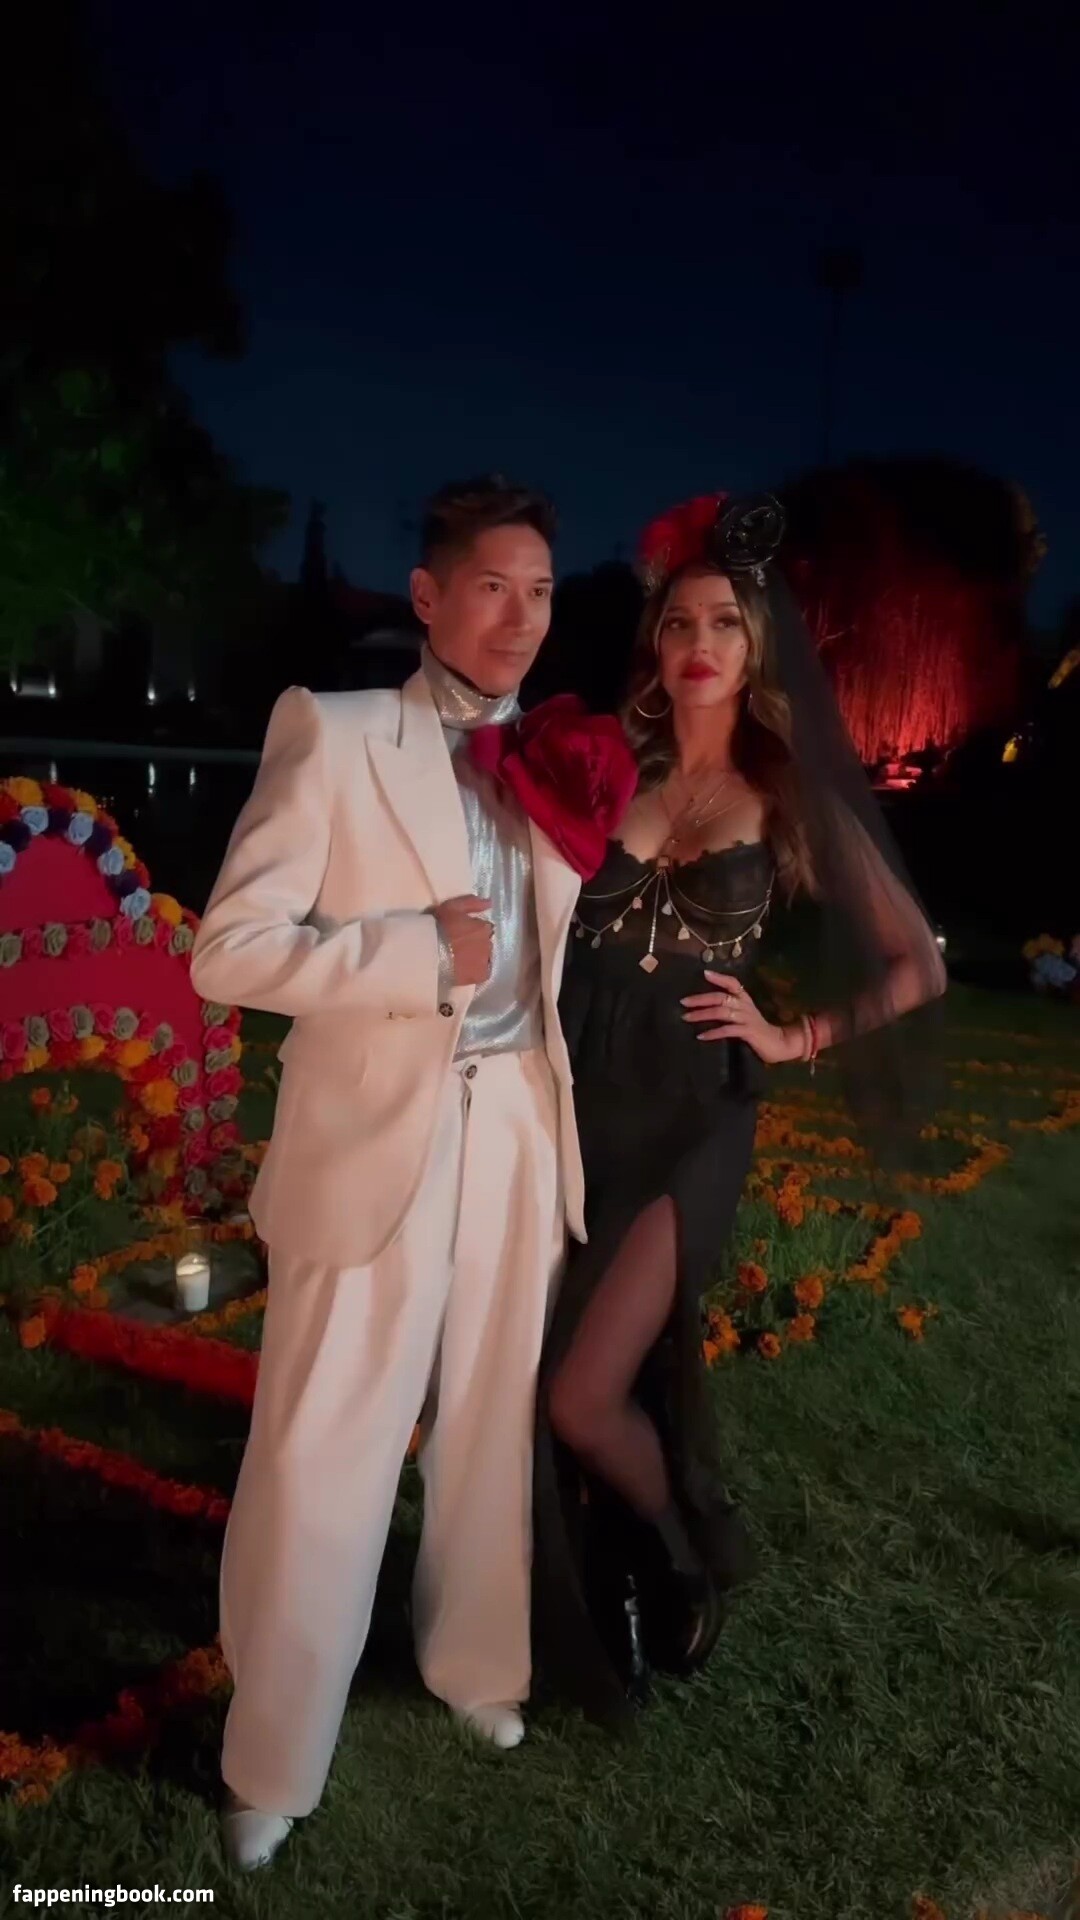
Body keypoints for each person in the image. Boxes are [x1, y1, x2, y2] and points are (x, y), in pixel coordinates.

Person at [191, 477, 609, 1869]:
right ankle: (274, 1752)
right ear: (428, 596)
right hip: (376, 1134)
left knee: (491, 1421)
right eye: (492, 587)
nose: (520, 617)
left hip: (518, 1129)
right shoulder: (338, 731)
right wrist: (413, 951)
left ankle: (475, 1662)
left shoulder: (557, 758)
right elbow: (228, 951)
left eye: (540, 592)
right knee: (326, 1441)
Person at [531, 491, 947, 1725]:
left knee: (579, 1392)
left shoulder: (787, 792)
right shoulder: (611, 764)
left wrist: (793, 1035)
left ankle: (675, 1553)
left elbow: (917, 964)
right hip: (573, 1098)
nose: (700, 642)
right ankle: (607, 1562)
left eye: (724, 622)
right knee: (544, 1370)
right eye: (679, 623)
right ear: (655, 647)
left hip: (694, 1114)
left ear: (756, 646)